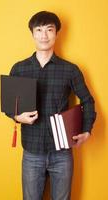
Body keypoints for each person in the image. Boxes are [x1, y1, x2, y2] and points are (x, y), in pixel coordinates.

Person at [6, 11, 96, 200]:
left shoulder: (70, 70)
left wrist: (87, 130)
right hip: (31, 152)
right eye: (39, 30)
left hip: (62, 153)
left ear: (57, 33)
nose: (44, 35)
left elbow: (87, 101)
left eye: (49, 29)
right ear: (32, 33)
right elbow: (10, 105)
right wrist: (16, 117)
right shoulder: (19, 68)